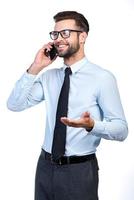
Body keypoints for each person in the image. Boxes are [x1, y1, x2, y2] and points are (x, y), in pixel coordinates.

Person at [7, 11, 128, 200]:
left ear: (82, 36)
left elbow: (121, 129)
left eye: (65, 33)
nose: (58, 39)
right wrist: (36, 67)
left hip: (79, 172)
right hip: (45, 167)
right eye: (55, 34)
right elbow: (14, 104)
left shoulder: (102, 78)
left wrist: (92, 125)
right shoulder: (48, 77)